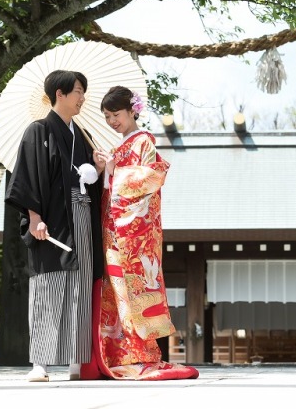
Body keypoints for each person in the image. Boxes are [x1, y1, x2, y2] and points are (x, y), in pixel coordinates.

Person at [85, 85, 199, 380]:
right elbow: (108, 191)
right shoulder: (116, 147)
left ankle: (141, 354)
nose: (112, 121)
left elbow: (152, 178)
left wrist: (115, 171)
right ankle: (117, 354)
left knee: (134, 293)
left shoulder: (144, 140)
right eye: (107, 116)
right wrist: (102, 170)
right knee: (115, 294)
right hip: (112, 232)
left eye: (117, 114)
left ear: (132, 110)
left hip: (135, 237)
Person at [5, 70, 104, 382]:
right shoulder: (38, 131)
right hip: (52, 219)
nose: (82, 97)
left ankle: (77, 361)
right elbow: (28, 176)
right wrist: (34, 216)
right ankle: (41, 363)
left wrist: (98, 170)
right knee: (48, 284)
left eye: (83, 91)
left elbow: (89, 183)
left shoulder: (83, 134)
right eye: (77, 91)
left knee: (81, 284)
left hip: (83, 215)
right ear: (59, 93)